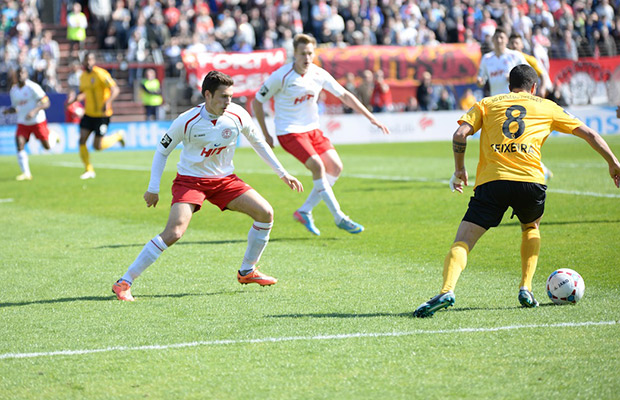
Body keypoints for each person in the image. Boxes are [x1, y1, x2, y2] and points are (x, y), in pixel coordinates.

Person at [413, 65, 620, 318]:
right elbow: (589, 134)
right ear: (534, 87)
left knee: (463, 240)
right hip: (530, 182)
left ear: (509, 85)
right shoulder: (547, 106)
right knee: (531, 227)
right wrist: (613, 163)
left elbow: (460, 134)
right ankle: (526, 288)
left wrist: (459, 169)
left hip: (493, 182)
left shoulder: (486, 103)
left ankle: (447, 290)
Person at [112, 71, 304, 302]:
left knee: (265, 213)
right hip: (190, 181)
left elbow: (258, 142)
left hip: (224, 180)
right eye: (223, 96)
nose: (228, 101)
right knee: (174, 232)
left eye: (230, 96)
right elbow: (162, 151)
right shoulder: (186, 120)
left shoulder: (237, 115)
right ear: (208, 95)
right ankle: (124, 282)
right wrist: (153, 188)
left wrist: (283, 173)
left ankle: (247, 270)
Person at [252, 34, 390, 236]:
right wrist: (266, 134)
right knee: (317, 166)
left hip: (313, 130)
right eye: (302, 54)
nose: (307, 58)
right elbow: (257, 101)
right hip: (289, 131)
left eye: (310, 53)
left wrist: (371, 117)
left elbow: (345, 95)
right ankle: (339, 217)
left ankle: (304, 211)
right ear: (294, 54)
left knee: (335, 167)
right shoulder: (280, 76)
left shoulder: (318, 73)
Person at [68, 52, 123, 180]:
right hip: (89, 113)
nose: (88, 62)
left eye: (91, 60)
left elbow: (115, 90)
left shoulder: (101, 74)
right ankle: (89, 169)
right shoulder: (82, 77)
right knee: (82, 140)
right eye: (86, 60)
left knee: (97, 146)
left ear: (94, 61)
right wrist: (73, 100)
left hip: (102, 115)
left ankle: (118, 136)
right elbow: (83, 93)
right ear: (83, 62)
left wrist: (107, 102)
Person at [3, 67, 55, 181]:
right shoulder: (14, 91)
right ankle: (26, 173)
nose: (20, 75)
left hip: (37, 121)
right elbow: (16, 107)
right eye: (18, 73)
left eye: (23, 73)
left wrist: (34, 111)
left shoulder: (33, 87)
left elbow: (46, 102)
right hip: (23, 122)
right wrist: (8, 111)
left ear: (26, 74)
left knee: (47, 147)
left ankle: (54, 137)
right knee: (19, 144)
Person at [477, 28, 527, 97]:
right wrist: (480, 81)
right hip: (495, 99)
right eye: (496, 38)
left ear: (507, 40)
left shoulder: (515, 55)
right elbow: (481, 79)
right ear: (492, 40)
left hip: (513, 98)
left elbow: (527, 73)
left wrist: (514, 78)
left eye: (501, 37)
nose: (499, 40)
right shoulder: (486, 58)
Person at [508, 33, 551, 98]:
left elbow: (543, 75)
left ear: (522, 45)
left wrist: (542, 89)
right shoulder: (506, 60)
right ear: (508, 45)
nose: (514, 45)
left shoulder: (529, 59)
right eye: (512, 43)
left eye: (516, 43)